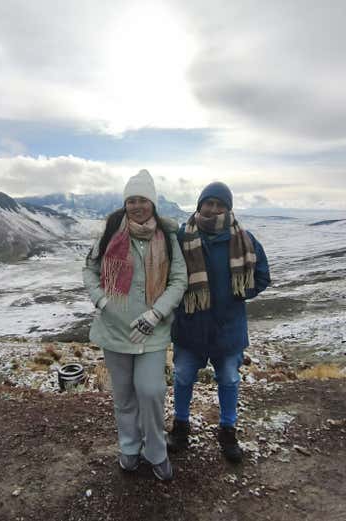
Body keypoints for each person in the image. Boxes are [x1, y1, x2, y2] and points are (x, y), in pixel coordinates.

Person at [83, 169, 187, 481]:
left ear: (153, 204)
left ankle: (156, 451)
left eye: (143, 200)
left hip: (152, 331)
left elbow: (179, 279)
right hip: (114, 330)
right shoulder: (110, 231)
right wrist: (102, 301)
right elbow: (89, 269)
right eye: (131, 200)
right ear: (125, 203)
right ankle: (129, 447)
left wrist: (156, 314)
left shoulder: (167, 237)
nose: (137, 206)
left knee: (152, 391)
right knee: (124, 395)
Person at [167, 181, 270, 463]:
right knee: (183, 376)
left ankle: (227, 430)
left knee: (228, 378)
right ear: (199, 205)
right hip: (190, 325)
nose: (213, 209)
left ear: (228, 208)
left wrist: (237, 293)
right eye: (208, 203)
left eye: (219, 204)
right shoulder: (181, 237)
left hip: (228, 327)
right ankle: (180, 427)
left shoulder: (244, 239)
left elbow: (262, 276)